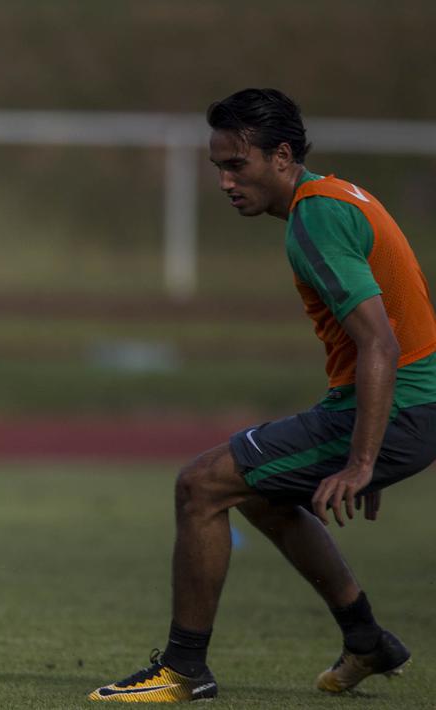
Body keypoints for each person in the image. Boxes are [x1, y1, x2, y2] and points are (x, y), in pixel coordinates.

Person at [89, 88, 436, 702]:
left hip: (407, 405)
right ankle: (366, 640)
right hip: (404, 403)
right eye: (218, 167)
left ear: (280, 157)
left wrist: (364, 460)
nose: (225, 181)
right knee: (256, 489)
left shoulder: (316, 217)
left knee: (200, 486)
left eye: (236, 165)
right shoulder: (340, 196)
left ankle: (183, 671)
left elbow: (380, 343)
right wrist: (372, 435)